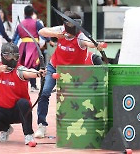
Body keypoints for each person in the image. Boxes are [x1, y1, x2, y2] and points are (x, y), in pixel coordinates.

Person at [34, 10, 107, 138]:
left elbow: (89, 43)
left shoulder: (81, 36)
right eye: (70, 23)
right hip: (54, 67)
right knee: (44, 92)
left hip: (73, 72)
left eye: (75, 24)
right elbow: (41, 31)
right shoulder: (61, 29)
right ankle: (41, 125)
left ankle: (76, 126)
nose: (72, 27)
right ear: (66, 23)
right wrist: (56, 34)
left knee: (74, 99)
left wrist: (97, 45)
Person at [0, 42, 46, 145]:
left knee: (24, 103)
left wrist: (38, 74)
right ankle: (6, 129)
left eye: (15, 56)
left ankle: (28, 135)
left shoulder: (19, 70)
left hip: (19, 112)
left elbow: (28, 72)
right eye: (8, 56)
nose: (12, 59)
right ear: (3, 56)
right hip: (2, 110)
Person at [13, 5, 48, 92]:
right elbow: (43, 33)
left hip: (22, 46)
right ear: (32, 13)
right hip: (33, 46)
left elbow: (15, 38)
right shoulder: (37, 23)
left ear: (24, 13)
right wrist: (49, 41)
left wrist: (12, 46)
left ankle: (21, 85)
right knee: (34, 65)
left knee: (22, 65)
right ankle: (33, 85)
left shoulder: (20, 24)